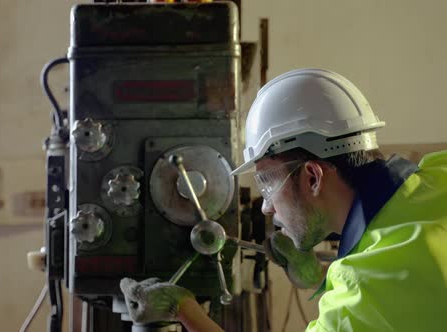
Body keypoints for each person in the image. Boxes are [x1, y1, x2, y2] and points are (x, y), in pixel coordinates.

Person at [120, 68, 447, 331]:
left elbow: (380, 291)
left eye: (267, 184)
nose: (267, 207)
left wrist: (184, 310)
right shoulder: (438, 170)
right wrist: (321, 276)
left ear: (313, 177)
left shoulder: (360, 300)